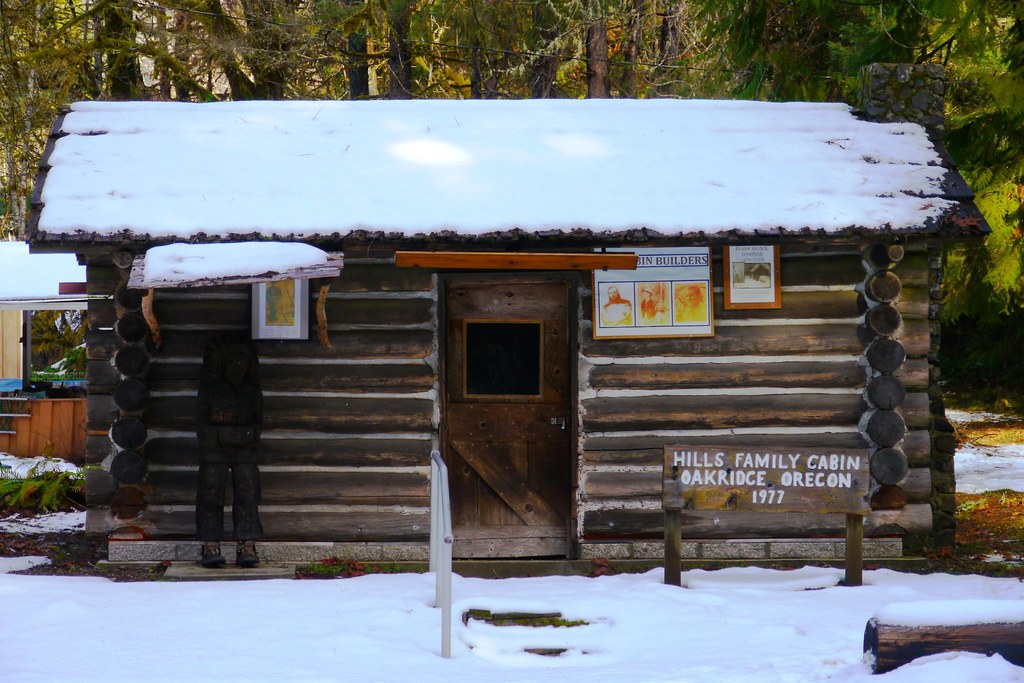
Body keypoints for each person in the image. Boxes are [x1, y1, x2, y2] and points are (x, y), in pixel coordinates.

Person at [195, 335, 264, 568]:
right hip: (214, 452)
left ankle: (247, 544)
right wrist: (221, 436)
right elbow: (201, 426)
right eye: (233, 364)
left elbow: (258, 424)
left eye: (242, 364)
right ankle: (210, 544)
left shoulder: (251, 392)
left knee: (247, 494)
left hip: (245, 453)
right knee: (211, 493)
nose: (237, 368)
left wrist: (247, 435)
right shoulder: (210, 390)